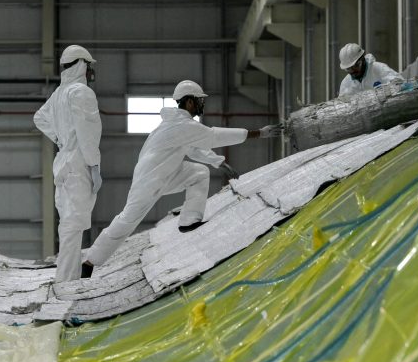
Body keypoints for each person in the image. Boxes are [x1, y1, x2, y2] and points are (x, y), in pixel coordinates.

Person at [81, 80, 280, 276]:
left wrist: (218, 162)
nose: (203, 105)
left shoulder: (179, 124)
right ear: (190, 102)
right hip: (149, 180)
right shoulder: (180, 124)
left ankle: (189, 221)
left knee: (199, 173)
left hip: (168, 173)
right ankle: (90, 261)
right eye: (200, 100)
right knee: (127, 221)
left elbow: (192, 148)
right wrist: (259, 133)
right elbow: (213, 136)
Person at [34, 44, 103, 282]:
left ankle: (68, 276)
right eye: (89, 65)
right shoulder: (81, 93)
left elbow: (39, 117)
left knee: (68, 224)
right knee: (73, 226)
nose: (91, 71)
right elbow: (87, 133)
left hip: (63, 162)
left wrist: (60, 138)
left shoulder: (59, 94)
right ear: (82, 64)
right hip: (78, 163)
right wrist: (94, 165)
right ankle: (65, 281)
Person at [338, 43, 403, 97]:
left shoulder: (379, 69)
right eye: (349, 69)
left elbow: (400, 83)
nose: (353, 71)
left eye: (356, 66)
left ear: (362, 59)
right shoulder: (346, 84)